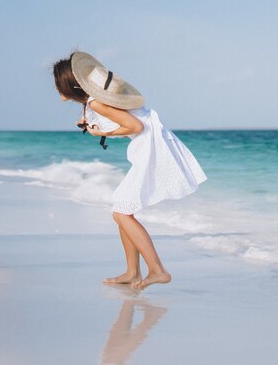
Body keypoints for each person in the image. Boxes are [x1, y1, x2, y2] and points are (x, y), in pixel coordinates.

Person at [52, 52, 207, 289]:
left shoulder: (96, 102)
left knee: (122, 213)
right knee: (122, 208)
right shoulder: (94, 102)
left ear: (68, 85)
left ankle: (157, 270)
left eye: (57, 84)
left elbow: (135, 125)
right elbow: (125, 119)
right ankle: (133, 272)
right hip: (151, 145)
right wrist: (92, 124)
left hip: (151, 150)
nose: (55, 88)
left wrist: (99, 133)